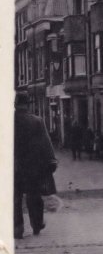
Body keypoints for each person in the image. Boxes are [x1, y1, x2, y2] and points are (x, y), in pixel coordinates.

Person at [14, 92, 57, 240]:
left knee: (15, 197)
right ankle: (37, 224)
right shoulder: (37, 121)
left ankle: (17, 229)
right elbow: (46, 143)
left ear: (15, 104)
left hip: (13, 167)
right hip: (33, 167)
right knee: (34, 196)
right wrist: (51, 161)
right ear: (28, 104)